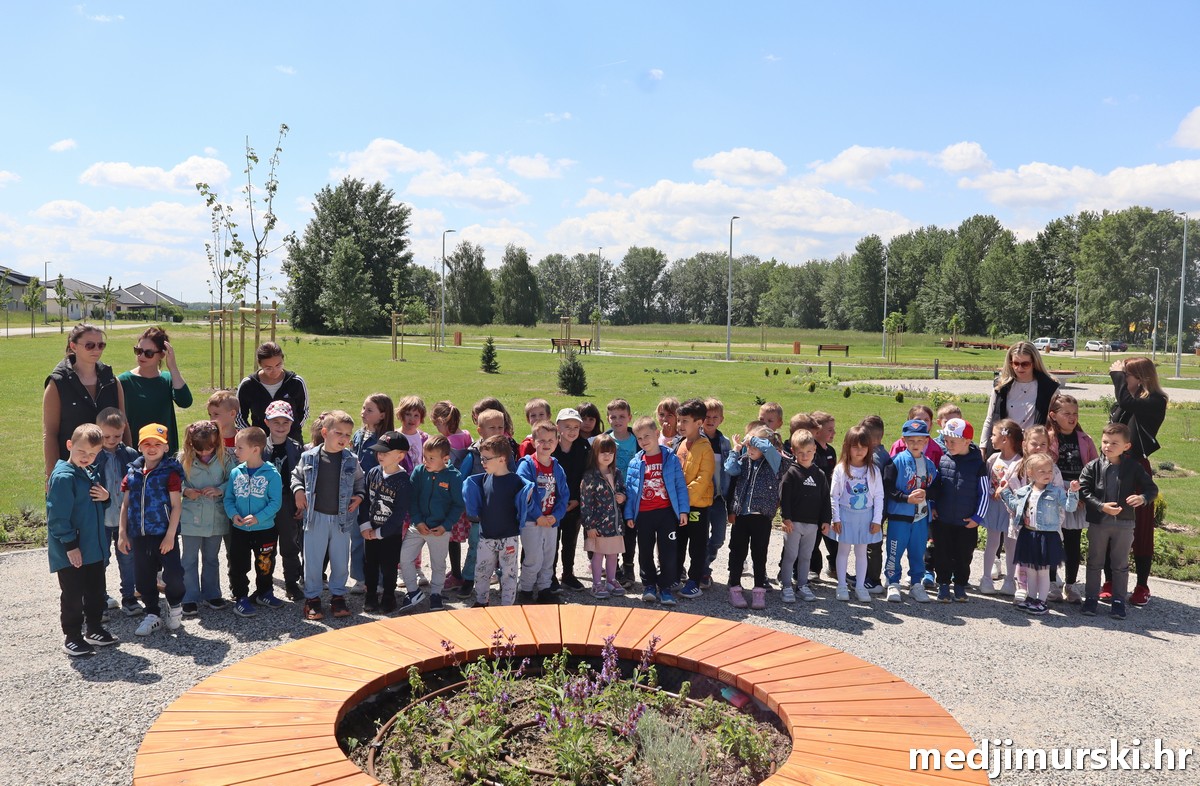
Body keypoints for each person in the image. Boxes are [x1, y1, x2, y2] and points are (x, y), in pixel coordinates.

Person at [1080, 423, 1158, 620]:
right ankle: (1091, 598)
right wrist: (1100, 506)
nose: (1108, 446)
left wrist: (1142, 498)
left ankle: (1118, 601)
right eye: (1105, 442)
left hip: (1124, 524)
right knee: (1094, 561)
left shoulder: (1134, 467)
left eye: (1114, 443)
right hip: (1099, 522)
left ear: (1126, 446)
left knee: (1120, 564)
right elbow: (1084, 490)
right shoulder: (1093, 466)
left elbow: (1151, 489)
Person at [292, 410, 365, 621]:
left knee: (340, 560)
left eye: (347, 435)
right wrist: (298, 491)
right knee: (313, 560)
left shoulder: (351, 459)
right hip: (315, 517)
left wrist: (359, 497)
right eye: (338, 433)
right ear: (324, 432)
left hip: (342, 519)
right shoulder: (309, 457)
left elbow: (360, 481)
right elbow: (296, 476)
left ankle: (338, 596)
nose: (343, 438)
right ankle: (312, 598)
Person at [1107, 357, 1168, 607]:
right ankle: (1109, 581)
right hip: (1114, 466)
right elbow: (1117, 423)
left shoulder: (1156, 401)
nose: (1122, 379)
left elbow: (1128, 402)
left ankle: (1142, 585)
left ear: (1141, 378)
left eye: (1126, 375)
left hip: (1137, 468)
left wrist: (1116, 377)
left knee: (1141, 527)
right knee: (1109, 523)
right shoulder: (1125, 402)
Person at [47, 423, 112, 656]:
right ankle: (72, 637)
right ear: (69, 445)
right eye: (81, 451)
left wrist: (106, 498)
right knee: (73, 595)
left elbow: (95, 506)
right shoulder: (64, 478)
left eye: (92, 453)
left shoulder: (89, 472)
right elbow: (57, 518)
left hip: (93, 549)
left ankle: (94, 629)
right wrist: (71, 546)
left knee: (96, 591)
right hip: (72, 551)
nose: (86, 457)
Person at [117, 424, 185, 637]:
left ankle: (175, 604)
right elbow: (125, 505)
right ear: (139, 447)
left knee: (174, 576)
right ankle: (152, 613)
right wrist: (122, 533)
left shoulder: (170, 473)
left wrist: (170, 535)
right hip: (140, 536)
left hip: (164, 535)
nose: (152, 448)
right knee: (143, 578)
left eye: (157, 444)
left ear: (166, 447)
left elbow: (176, 506)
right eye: (147, 443)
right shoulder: (132, 473)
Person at [43, 323, 126, 481]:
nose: (97, 350)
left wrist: (130, 466)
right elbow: (50, 433)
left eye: (101, 345)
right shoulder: (58, 383)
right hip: (72, 472)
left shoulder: (112, 381)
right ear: (73, 346)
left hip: (111, 473)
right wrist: (51, 475)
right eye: (90, 345)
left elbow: (124, 424)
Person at [999, 454, 1079, 616]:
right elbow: (1015, 506)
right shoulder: (1024, 492)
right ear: (1030, 473)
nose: (1047, 474)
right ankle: (1031, 598)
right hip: (1029, 534)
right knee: (1030, 570)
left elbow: (1070, 507)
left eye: (1049, 471)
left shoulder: (1056, 492)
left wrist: (1073, 492)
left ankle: (1041, 601)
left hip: (1046, 537)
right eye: (1042, 471)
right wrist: (1005, 491)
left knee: (1042, 571)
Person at [463, 435, 535, 608]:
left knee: (509, 574)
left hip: (508, 537)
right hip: (486, 536)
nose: (482, 462)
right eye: (482, 458)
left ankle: (507, 606)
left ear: (502, 459)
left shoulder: (516, 482)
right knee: (481, 572)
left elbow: (527, 505)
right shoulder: (484, 479)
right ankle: (481, 601)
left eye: (486, 459)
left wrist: (528, 498)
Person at [624, 416, 689, 606]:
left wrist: (683, 510)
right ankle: (649, 585)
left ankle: (666, 588)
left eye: (647, 436)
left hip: (666, 514)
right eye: (639, 438)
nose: (643, 441)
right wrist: (629, 514)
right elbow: (630, 491)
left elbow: (680, 486)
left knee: (668, 552)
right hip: (644, 515)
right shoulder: (635, 462)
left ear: (657, 433)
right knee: (645, 551)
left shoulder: (670, 459)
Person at [929, 418, 990, 603]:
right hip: (943, 519)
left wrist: (978, 517)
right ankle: (943, 584)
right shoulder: (943, 460)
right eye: (946, 441)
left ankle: (960, 584)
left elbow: (984, 493)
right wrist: (932, 505)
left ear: (967, 441)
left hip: (966, 522)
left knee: (964, 555)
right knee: (942, 553)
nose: (948, 445)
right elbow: (936, 486)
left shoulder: (978, 465)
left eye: (953, 441)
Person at [224, 426, 283, 616]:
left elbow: (275, 503)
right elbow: (229, 499)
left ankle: (264, 592)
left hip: (265, 529)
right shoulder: (236, 473)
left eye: (240, 448)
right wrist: (233, 514)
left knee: (265, 563)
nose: (235, 451)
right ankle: (241, 596)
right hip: (239, 530)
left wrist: (259, 518)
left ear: (255, 449)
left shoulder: (272, 474)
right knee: (238, 564)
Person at [724, 426, 783, 610]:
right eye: (748, 445)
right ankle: (735, 587)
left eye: (754, 446)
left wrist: (752, 438)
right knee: (737, 552)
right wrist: (736, 449)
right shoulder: (744, 460)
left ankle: (759, 590)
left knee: (759, 554)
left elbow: (771, 452)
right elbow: (730, 468)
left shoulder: (774, 463)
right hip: (742, 516)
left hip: (762, 517)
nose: (750, 449)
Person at [403, 435, 465, 611]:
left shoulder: (454, 476)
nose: (426, 461)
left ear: (445, 459)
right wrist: (418, 521)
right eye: (425, 456)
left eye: (431, 458)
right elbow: (412, 499)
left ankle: (436, 594)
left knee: (438, 563)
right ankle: (413, 592)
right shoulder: (419, 472)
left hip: (440, 529)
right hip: (418, 527)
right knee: (405, 558)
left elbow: (458, 504)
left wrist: (446, 525)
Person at [457, 408, 513, 599]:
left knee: (503, 548)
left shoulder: (507, 452)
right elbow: (463, 481)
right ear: (480, 430)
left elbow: (514, 477)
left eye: (500, 427)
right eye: (492, 427)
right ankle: (468, 579)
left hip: (502, 512)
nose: (497, 431)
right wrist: (469, 505)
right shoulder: (473, 455)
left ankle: (504, 580)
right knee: (476, 547)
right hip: (480, 514)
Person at [179, 420, 232, 615]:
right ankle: (189, 597)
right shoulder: (182, 459)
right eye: (198, 449)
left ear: (216, 442)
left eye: (208, 448)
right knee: (189, 559)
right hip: (191, 517)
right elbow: (173, 482)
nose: (203, 453)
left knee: (211, 557)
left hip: (215, 517)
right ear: (190, 443)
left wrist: (220, 490)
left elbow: (234, 480)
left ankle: (212, 593)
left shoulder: (225, 458)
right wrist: (186, 491)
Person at [1047, 394, 1097, 604]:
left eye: (1075, 413)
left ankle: (1071, 583)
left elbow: (1094, 469)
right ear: (1053, 415)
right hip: (1054, 495)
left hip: (1077, 495)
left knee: (1073, 542)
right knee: (1052, 540)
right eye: (1066, 413)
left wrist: (1082, 494)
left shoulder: (1085, 440)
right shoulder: (1047, 439)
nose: (1072, 417)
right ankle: (1051, 583)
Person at [883, 419, 938, 604]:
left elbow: (937, 487)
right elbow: (888, 487)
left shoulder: (930, 464)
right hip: (900, 516)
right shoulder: (896, 462)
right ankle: (893, 582)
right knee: (894, 551)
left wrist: (927, 493)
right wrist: (905, 498)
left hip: (921, 517)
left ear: (926, 441)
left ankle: (916, 583)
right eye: (911, 440)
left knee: (917, 552)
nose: (916, 444)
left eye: (920, 440)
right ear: (903, 440)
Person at [516, 421, 569, 604]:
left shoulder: (557, 467)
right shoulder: (527, 465)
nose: (546, 444)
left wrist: (556, 516)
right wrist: (537, 515)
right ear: (533, 441)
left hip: (551, 521)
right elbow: (525, 493)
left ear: (557, 441)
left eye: (551, 440)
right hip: (532, 521)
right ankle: (526, 589)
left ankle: (545, 588)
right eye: (542, 440)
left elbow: (564, 495)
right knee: (533, 557)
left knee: (548, 557)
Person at [829, 426, 884, 604]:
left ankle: (860, 586)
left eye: (863, 447)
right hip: (845, 516)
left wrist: (877, 520)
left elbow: (879, 496)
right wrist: (836, 518)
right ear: (847, 446)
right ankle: (842, 585)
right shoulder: (841, 469)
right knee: (843, 551)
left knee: (861, 552)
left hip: (866, 517)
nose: (859, 451)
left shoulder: (873, 470)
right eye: (855, 446)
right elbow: (834, 495)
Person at [118, 326, 192, 455]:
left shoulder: (167, 379)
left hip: (164, 453)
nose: (142, 356)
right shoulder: (123, 381)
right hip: (134, 453)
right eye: (138, 351)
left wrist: (172, 367)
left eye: (149, 353)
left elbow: (185, 401)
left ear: (162, 354)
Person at [95, 407, 140, 616]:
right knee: (101, 560)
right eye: (106, 436)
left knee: (128, 559)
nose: (112, 440)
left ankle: (129, 597)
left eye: (117, 436)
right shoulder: (93, 455)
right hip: (101, 518)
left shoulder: (130, 455)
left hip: (125, 518)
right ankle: (99, 598)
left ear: (124, 431)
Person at [359, 431, 411, 614]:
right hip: (370, 530)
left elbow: (399, 513)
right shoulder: (373, 472)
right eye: (379, 452)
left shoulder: (403, 481)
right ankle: (371, 595)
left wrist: (381, 533)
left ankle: (389, 595)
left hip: (390, 534)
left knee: (389, 567)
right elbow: (365, 501)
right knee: (370, 565)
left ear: (400, 456)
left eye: (386, 453)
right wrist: (365, 525)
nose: (380, 455)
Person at [777, 429, 831, 604]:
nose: (805, 456)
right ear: (793, 451)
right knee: (790, 556)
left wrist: (826, 520)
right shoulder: (790, 473)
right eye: (800, 452)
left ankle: (802, 585)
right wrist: (786, 518)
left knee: (806, 556)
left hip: (812, 524)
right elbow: (785, 498)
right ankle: (786, 586)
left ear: (814, 449)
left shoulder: (820, 475)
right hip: (793, 523)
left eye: (808, 451)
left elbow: (825, 499)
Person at [349, 393, 394, 592]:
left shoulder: (386, 440)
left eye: (369, 410)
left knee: (377, 539)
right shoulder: (358, 435)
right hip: (357, 495)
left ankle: (380, 580)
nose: (363, 412)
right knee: (357, 536)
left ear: (382, 415)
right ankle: (360, 578)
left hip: (378, 496)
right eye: (363, 408)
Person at [980, 341, 1060, 453]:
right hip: (1004, 449)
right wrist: (983, 447)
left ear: (1034, 363)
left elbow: (1057, 422)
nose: (1019, 368)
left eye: (1025, 364)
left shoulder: (1049, 388)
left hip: (1034, 450)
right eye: (1015, 363)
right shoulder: (1001, 386)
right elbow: (990, 419)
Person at [263, 401, 304, 601]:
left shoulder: (296, 449)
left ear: (291, 423)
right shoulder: (260, 447)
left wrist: (300, 503)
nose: (280, 426)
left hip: (288, 502)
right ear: (267, 422)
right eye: (276, 422)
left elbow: (303, 477)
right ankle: (264, 583)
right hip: (265, 504)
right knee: (265, 546)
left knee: (290, 544)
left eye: (285, 422)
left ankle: (291, 583)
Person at [674, 398, 714, 599]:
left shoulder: (705, 447)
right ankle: (675, 575)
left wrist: (683, 500)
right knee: (678, 542)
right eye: (679, 420)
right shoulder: (681, 444)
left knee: (697, 546)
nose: (680, 425)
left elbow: (703, 479)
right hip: (679, 506)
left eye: (685, 421)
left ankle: (694, 582)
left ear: (699, 423)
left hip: (697, 507)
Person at [580, 434, 627, 599]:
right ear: (595, 453)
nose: (607, 456)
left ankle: (611, 580)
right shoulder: (590, 476)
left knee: (613, 554)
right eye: (603, 452)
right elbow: (585, 503)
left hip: (615, 524)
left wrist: (623, 497)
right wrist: (589, 526)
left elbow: (623, 490)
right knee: (598, 554)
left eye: (610, 453)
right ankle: (596, 584)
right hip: (598, 525)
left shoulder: (617, 473)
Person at [434, 401, 474, 592]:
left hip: (450, 496)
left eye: (436, 424)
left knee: (452, 538)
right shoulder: (466, 435)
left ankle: (457, 574)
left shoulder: (446, 443)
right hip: (464, 494)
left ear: (441, 421)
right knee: (458, 537)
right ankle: (458, 571)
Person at [236, 341, 309, 442]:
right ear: (260, 364)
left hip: (291, 442)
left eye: (278, 365)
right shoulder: (248, 385)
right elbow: (239, 416)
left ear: (283, 359)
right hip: (260, 443)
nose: (274, 371)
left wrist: (288, 431)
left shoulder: (296, 382)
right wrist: (253, 436)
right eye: (268, 368)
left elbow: (304, 412)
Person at [981, 420, 1022, 595]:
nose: (991, 438)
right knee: (992, 542)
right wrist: (991, 491)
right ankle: (986, 578)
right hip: (994, 506)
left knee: (1011, 544)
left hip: (1011, 509)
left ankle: (1010, 581)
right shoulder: (993, 459)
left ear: (1005, 438)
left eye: (994, 434)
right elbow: (988, 480)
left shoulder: (1019, 462)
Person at [551, 408, 590, 592]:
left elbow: (586, 475)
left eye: (576, 426)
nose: (572, 431)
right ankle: (550, 575)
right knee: (552, 542)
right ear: (558, 427)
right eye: (567, 426)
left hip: (574, 503)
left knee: (570, 541)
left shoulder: (583, 447)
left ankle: (568, 574)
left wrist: (577, 499)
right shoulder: (551, 447)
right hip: (553, 504)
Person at [605, 399, 639, 584]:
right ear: (608, 419)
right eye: (613, 417)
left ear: (629, 418)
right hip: (610, 494)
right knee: (611, 532)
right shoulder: (605, 440)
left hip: (632, 493)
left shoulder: (637, 439)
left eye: (622, 416)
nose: (617, 420)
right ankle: (614, 567)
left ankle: (628, 566)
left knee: (630, 532)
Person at [701, 397, 732, 589]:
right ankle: (702, 572)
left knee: (719, 537)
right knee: (699, 537)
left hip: (719, 498)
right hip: (700, 498)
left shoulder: (725, 442)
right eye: (706, 417)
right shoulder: (695, 440)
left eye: (715, 417)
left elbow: (730, 470)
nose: (710, 420)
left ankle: (705, 562)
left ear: (721, 419)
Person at [397, 395, 431, 473]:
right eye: (408, 414)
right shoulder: (393, 437)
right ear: (401, 415)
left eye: (416, 415)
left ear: (421, 418)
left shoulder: (425, 439)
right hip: (400, 478)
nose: (412, 419)